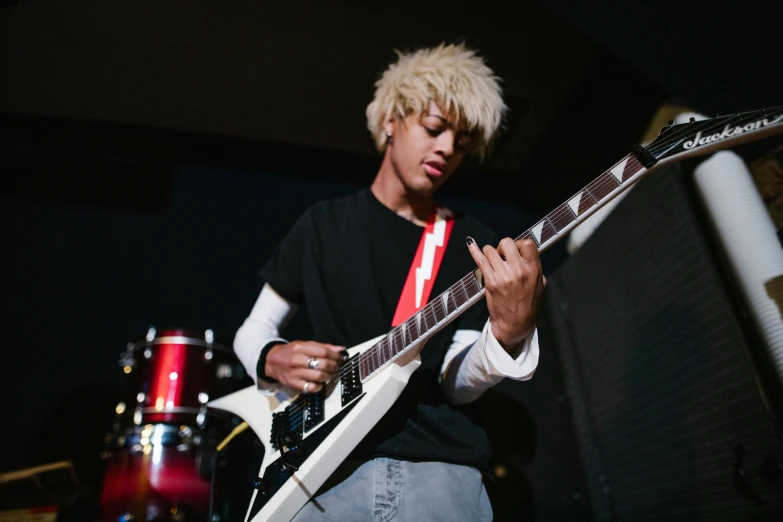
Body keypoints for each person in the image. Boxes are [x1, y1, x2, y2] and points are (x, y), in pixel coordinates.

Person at [234, 42, 545, 521]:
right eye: (435, 128)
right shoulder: (321, 226)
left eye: (461, 144)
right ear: (390, 121)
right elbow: (253, 330)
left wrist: (507, 335)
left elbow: (455, 382)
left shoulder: (475, 243)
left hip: (438, 470)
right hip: (319, 473)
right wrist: (271, 357)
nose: (446, 149)